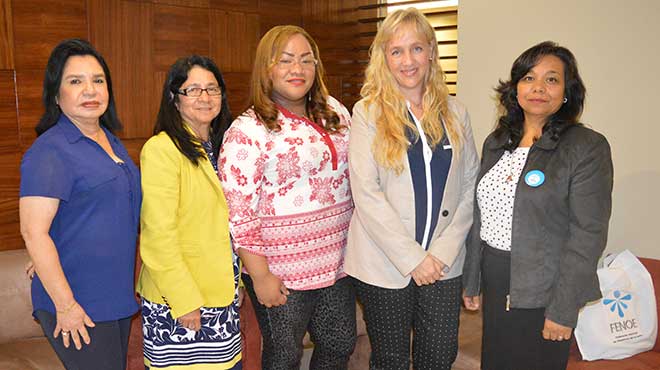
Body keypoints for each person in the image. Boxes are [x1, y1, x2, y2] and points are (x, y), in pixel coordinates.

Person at [462, 41, 614, 370]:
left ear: (567, 91)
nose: (539, 88)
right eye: (529, 78)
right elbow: (480, 214)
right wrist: (472, 277)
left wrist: (563, 310)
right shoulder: (497, 141)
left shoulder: (586, 147)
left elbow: (588, 234)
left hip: (546, 286)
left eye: (552, 79)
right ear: (515, 87)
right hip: (496, 274)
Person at [343, 8, 479, 370]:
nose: (408, 60)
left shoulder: (456, 112)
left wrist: (440, 253)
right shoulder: (367, 113)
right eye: (397, 50)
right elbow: (366, 193)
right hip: (384, 261)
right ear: (384, 58)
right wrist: (413, 259)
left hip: (443, 262)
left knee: (439, 354)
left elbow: (469, 186)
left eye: (416, 48)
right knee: (391, 359)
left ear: (432, 52)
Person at [219, 25, 355, 370]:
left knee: (339, 344)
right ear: (267, 67)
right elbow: (239, 213)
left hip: (338, 262)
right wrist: (261, 276)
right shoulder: (246, 131)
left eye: (306, 60)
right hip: (282, 272)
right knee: (284, 356)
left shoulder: (336, 112)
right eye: (286, 60)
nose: (298, 69)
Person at [19, 38, 141, 370]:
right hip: (75, 301)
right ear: (56, 95)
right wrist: (66, 305)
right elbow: (33, 232)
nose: (90, 90)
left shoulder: (110, 141)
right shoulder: (50, 151)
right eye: (76, 81)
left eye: (98, 80)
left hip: (114, 295)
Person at [136, 55, 240, 369]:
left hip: (222, 294)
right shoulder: (162, 150)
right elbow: (158, 235)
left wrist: (240, 283)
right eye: (193, 89)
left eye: (212, 88)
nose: (205, 97)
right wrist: (184, 302)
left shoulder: (227, 148)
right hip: (180, 301)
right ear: (174, 99)